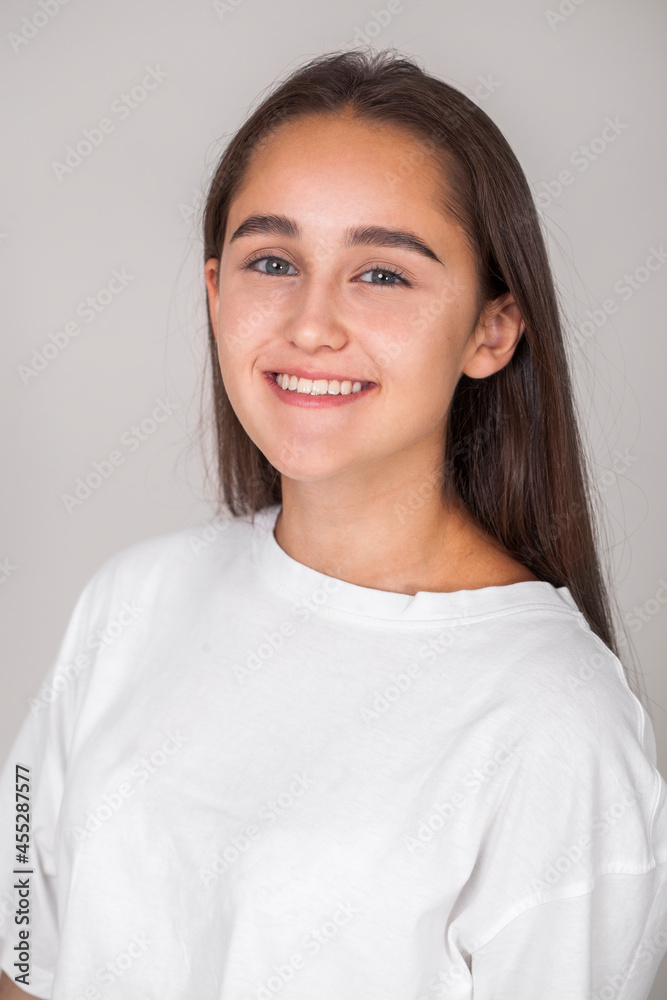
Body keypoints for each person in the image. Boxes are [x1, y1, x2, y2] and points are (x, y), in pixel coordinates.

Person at [1, 47, 666, 1000]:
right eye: (272, 261)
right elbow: (23, 945)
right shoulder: (131, 601)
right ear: (214, 291)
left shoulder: (556, 728)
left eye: (382, 274)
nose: (310, 324)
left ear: (492, 330)